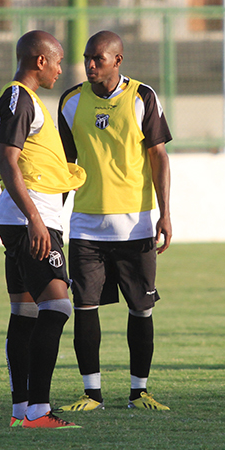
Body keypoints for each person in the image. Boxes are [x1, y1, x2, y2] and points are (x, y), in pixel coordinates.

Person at [56, 30, 172, 412]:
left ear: (117, 60)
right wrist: (54, 217)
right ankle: (92, 393)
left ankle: (139, 391)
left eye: (98, 59)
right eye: (87, 58)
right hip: (86, 227)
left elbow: (159, 157)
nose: (90, 65)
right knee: (85, 307)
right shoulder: (70, 101)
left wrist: (165, 213)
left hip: (135, 225)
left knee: (141, 309)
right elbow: (66, 167)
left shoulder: (143, 97)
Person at [0, 30, 86, 429]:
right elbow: (7, 161)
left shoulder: (26, 101)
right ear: (40, 61)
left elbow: (5, 163)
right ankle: (39, 411)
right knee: (59, 307)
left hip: (24, 215)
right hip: (32, 219)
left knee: (26, 311)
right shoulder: (19, 98)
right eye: (58, 61)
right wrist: (33, 219)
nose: (62, 70)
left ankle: (20, 410)